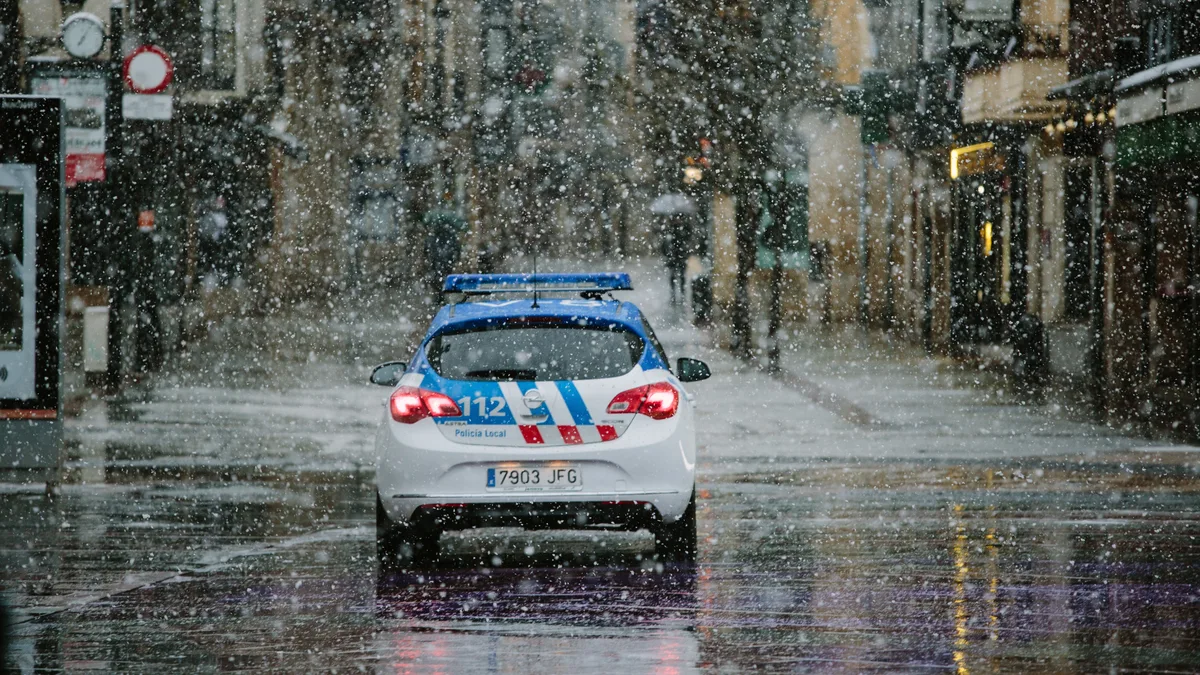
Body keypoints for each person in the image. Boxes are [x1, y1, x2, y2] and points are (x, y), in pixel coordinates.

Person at [422, 197, 467, 295]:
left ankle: (439, 295)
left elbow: (426, 252)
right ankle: (443, 293)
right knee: (445, 277)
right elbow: (457, 250)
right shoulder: (451, 237)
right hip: (446, 263)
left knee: (437, 279)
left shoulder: (433, 237)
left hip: (437, 263)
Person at [661, 213, 691, 305]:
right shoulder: (671, 230)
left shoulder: (683, 230)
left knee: (681, 277)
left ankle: (681, 295)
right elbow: (665, 245)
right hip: (674, 257)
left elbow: (687, 242)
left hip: (679, 257)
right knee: (674, 277)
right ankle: (674, 295)